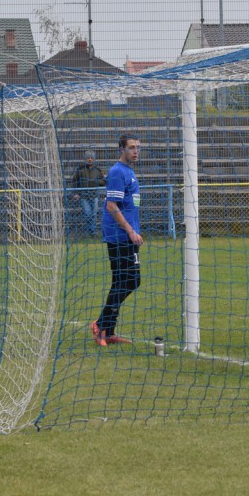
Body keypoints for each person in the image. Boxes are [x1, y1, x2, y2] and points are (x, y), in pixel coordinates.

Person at [91, 134, 143, 347]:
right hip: (119, 236)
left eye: (137, 147)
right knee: (126, 281)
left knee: (129, 281)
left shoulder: (129, 172)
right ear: (121, 149)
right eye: (131, 147)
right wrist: (131, 231)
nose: (135, 151)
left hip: (128, 235)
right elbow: (111, 206)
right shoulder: (117, 172)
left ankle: (107, 329)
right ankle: (102, 327)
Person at [71, 150, 105, 237]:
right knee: (87, 213)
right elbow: (74, 181)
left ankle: (92, 233)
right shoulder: (80, 170)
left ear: (94, 159)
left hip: (94, 195)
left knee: (93, 215)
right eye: (88, 158)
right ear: (85, 159)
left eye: (91, 158)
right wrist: (75, 193)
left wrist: (97, 182)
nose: (90, 159)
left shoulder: (98, 170)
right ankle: (89, 231)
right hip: (83, 196)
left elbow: (104, 181)